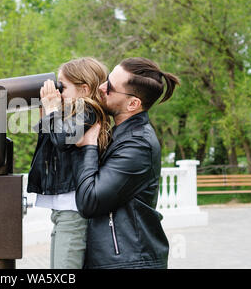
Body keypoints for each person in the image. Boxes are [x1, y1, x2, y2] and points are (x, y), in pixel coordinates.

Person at [73, 57, 180, 269]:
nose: (101, 87)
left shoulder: (138, 146)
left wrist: (89, 147)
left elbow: (89, 201)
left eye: (110, 87)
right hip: (118, 259)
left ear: (133, 104)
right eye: (106, 80)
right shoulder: (121, 136)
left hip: (129, 262)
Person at [27, 57, 112, 269]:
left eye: (62, 86)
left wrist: (53, 111)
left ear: (84, 89)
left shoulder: (90, 110)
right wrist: (47, 110)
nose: (57, 91)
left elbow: (63, 140)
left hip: (73, 210)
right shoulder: (71, 113)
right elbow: (50, 141)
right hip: (63, 210)